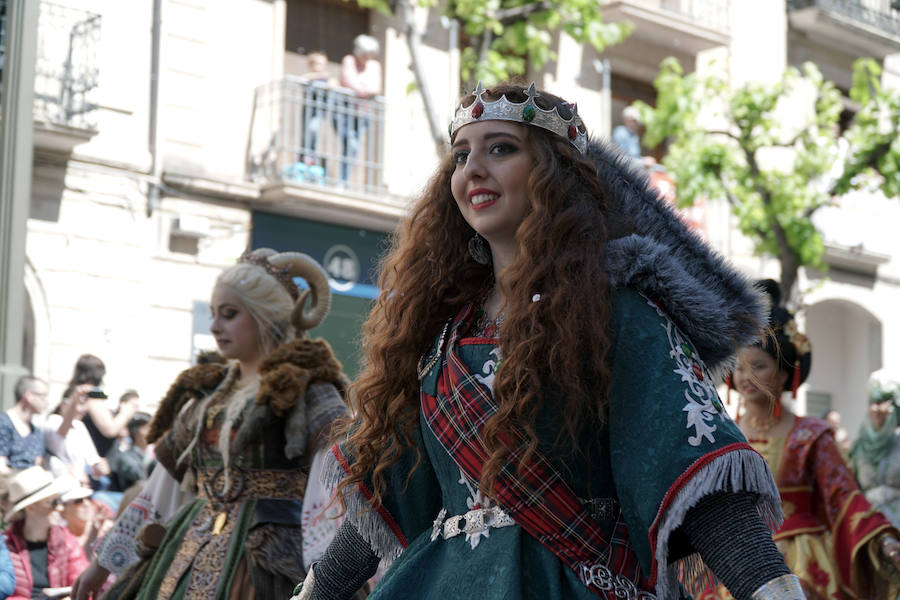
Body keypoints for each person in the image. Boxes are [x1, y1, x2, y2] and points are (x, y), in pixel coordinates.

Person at [290, 82, 805, 600]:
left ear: (554, 175)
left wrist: (773, 590)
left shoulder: (621, 313)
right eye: (462, 154)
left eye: (501, 148)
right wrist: (315, 593)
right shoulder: (437, 332)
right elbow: (391, 488)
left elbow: (693, 475)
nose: (472, 169)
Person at [72, 248, 351, 599]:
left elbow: (332, 491)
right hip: (188, 549)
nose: (215, 326)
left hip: (269, 563)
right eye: (215, 314)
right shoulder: (208, 395)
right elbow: (161, 489)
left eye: (230, 314)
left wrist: (327, 576)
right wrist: (104, 564)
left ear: (266, 317)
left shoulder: (310, 390)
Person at [729, 279, 900, 599]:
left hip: (802, 561)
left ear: (783, 374)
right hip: (738, 561)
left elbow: (844, 496)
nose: (745, 376)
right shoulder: (724, 435)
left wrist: (882, 539)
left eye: (759, 366)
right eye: (739, 367)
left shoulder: (811, 434)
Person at [4, 467, 89, 599]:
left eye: (59, 501)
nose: (60, 508)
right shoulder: (6, 547)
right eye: (53, 503)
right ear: (30, 508)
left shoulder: (67, 540)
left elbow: (83, 585)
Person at [850, 379, 900, 529]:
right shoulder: (859, 446)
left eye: (881, 402)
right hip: (868, 524)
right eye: (872, 403)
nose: (875, 408)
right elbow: (851, 488)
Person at [43, 387, 110, 488]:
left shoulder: (79, 425)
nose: (83, 409)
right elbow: (62, 430)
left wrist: (100, 466)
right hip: (61, 484)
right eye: (80, 404)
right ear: (63, 404)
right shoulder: (53, 421)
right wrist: (76, 397)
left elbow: (93, 460)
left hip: (83, 484)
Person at [337, 34, 382, 184]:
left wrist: (363, 91)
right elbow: (349, 82)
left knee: (353, 146)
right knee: (350, 144)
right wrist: (366, 91)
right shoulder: (348, 61)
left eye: (371, 54)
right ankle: (342, 180)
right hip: (345, 111)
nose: (368, 57)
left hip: (363, 112)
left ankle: (344, 180)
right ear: (358, 52)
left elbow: (376, 87)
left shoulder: (374, 66)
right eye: (365, 54)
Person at [56, 475, 115, 558]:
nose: (86, 503)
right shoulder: (60, 538)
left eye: (87, 498)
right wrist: (93, 530)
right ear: (63, 510)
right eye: (79, 500)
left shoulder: (106, 528)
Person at [0, 376, 49, 476]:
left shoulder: (36, 432)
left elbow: (39, 465)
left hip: (32, 488)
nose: (47, 402)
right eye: (43, 397)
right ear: (28, 395)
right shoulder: (3, 423)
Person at [299, 50, 336, 177]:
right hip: (308, 111)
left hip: (319, 112)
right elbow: (301, 80)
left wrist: (329, 81)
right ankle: (305, 159)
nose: (321, 67)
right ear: (311, 64)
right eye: (318, 64)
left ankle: (310, 158)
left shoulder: (327, 79)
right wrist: (317, 75)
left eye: (323, 64)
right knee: (307, 134)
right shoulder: (310, 77)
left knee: (313, 130)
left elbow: (334, 84)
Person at [108, 412, 154, 493]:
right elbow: (141, 477)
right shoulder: (125, 457)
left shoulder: (152, 454)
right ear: (135, 432)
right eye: (146, 428)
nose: (151, 431)